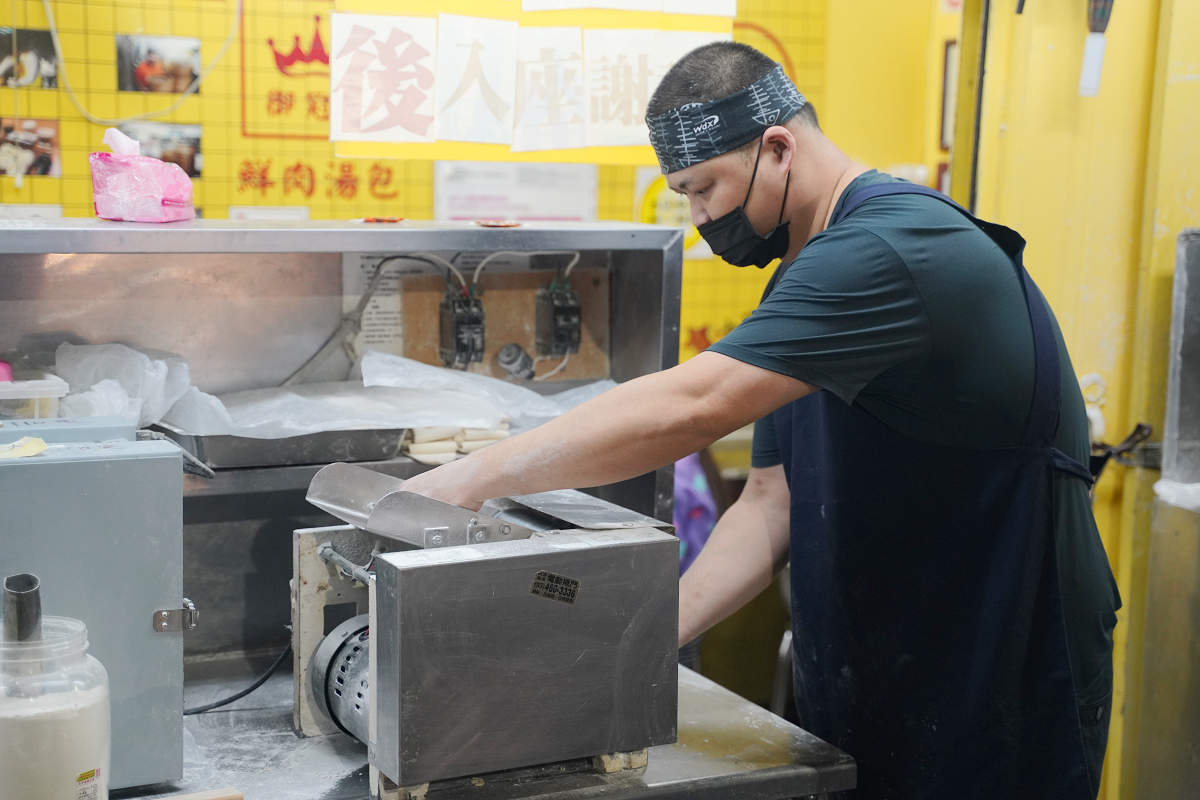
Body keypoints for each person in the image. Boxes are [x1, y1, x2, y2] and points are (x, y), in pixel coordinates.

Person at [399, 42, 1120, 799]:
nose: (701, 215)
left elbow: (691, 408)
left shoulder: (890, 251)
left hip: (999, 664)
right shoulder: (806, 275)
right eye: (683, 194)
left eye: (704, 188)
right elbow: (770, 504)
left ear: (778, 148)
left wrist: (468, 480)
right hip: (890, 660)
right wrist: (640, 639)